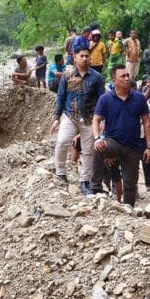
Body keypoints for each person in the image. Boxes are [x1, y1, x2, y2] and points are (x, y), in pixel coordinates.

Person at [92, 65, 150, 208]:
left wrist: (149, 147)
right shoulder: (105, 99)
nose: (127, 78)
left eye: (128, 75)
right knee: (99, 147)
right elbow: (96, 120)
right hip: (113, 141)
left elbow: (146, 122)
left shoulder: (138, 98)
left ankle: (128, 211)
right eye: (123, 76)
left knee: (130, 184)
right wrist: (96, 138)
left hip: (134, 147)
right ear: (114, 80)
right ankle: (95, 187)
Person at [52, 50, 105, 195]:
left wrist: (101, 120)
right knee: (62, 142)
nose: (84, 58)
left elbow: (102, 100)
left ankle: (84, 181)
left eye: (87, 56)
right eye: (81, 56)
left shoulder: (97, 77)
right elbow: (61, 96)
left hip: (89, 118)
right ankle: (61, 173)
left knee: (88, 151)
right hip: (70, 115)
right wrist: (56, 117)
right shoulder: (67, 75)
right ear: (74, 58)